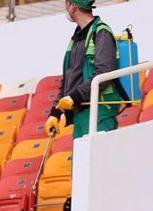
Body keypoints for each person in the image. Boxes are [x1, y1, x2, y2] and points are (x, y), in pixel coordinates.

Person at [45, 0, 126, 139]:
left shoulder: (101, 32)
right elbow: (68, 80)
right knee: (81, 161)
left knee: (99, 160)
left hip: (99, 112)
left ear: (73, 6)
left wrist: (74, 97)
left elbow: (103, 74)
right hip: (81, 112)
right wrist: (55, 113)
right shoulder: (77, 38)